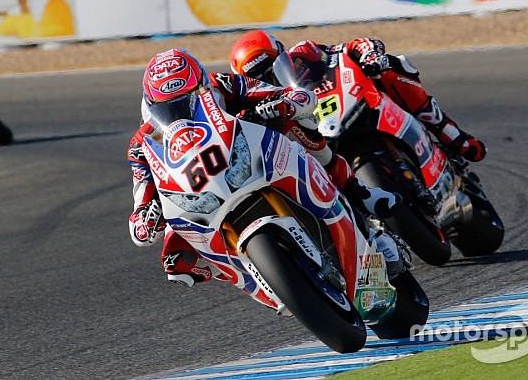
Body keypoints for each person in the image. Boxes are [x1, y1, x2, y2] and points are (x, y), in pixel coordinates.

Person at [127, 48, 399, 287]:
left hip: (248, 153)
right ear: (151, 105)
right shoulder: (142, 144)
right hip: (198, 189)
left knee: (295, 126)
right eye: (169, 106)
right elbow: (142, 191)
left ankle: (359, 195)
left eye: (192, 95)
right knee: (174, 259)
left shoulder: (221, 83)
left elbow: (286, 95)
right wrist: (144, 215)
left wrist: (284, 104)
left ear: (202, 84)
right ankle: (252, 273)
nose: (182, 108)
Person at [229, 30, 487, 163]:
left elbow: (351, 47)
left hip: (351, 102)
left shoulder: (305, 51)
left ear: (282, 54)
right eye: (260, 77)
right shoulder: (256, 103)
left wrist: (370, 56)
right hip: (318, 140)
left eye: (273, 66)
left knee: (390, 70)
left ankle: (450, 134)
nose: (271, 78)